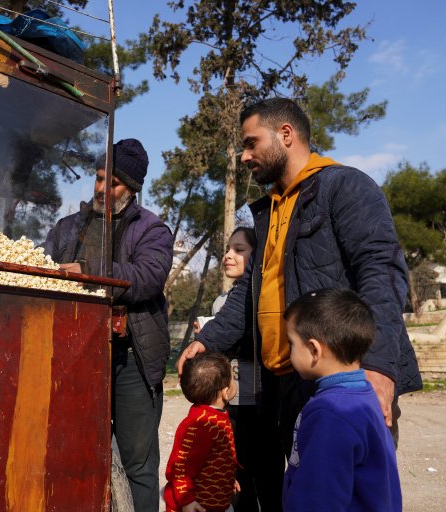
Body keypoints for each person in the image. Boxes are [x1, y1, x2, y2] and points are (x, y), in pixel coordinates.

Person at [179, 97, 422, 464]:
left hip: (343, 382)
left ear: (286, 134)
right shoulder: (270, 210)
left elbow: (381, 272)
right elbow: (251, 291)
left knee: (347, 497)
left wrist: (378, 366)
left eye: (251, 143)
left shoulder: (345, 186)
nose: (244, 157)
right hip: (283, 386)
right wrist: (208, 340)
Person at [43, 138, 174, 511]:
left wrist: (88, 274)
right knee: (69, 454)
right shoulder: (68, 228)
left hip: (128, 359)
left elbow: (148, 276)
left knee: (138, 465)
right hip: (70, 356)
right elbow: (39, 266)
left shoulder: (152, 229)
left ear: (132, 188)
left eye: (111, 182)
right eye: (99, 178)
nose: (101, 188)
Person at [282, 288, 401, 511]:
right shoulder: (364, 395)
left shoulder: (330, 412)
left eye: (291, 343)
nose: (288, 352)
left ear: (314, 349)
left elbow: (317, 499)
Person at [197, 227, 283, 511]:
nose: (228, 256)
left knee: (268, 477)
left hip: (258, 399)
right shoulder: (222, 301)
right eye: (227, 249)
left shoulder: (264, 299)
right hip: (231, 401)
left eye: (239, 250)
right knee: (237, 475)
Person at [164, 352, 239, 512]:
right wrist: (187, 500)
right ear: (225, 392)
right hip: (198, 505)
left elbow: (216, 456)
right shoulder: (201, 425)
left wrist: (226, 477)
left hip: (215, 501)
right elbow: (180, 467)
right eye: (234, 379)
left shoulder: (214, 416)